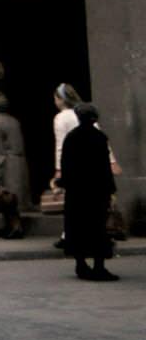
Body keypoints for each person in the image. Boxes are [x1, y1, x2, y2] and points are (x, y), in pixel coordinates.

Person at [58, 103, 119, 281]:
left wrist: (65, 184)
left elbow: (66, 164)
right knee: (98, 228)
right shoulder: (99, 137)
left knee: (77, 227)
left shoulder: (72, 137)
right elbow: (104, 167)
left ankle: (81, 264)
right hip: (97, 192)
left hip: (77, 192)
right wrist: (111, 190)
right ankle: (99, 266)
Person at [0, 92, 28, 239]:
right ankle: (11, 226)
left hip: (6, 165)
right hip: (18, 162)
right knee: (12, 199)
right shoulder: (14, 121)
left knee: (6, 199)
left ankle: (15, 227)